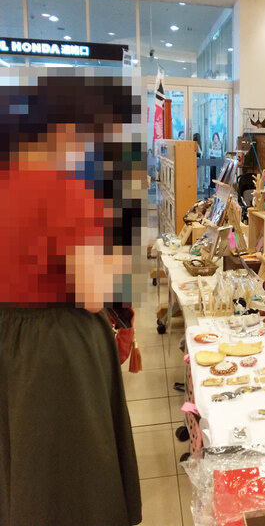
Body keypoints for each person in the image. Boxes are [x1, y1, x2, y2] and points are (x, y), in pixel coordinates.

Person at [0, 74, 142, 525]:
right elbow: (93, 294)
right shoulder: (63, 191)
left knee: (21, 459)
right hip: (58, 348)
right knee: (73, 471)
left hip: (11, 340)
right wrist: (121, 258)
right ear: (65, 129)